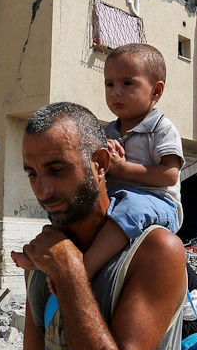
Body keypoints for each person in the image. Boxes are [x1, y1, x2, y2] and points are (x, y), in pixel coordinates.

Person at [0, 102, 187, 350]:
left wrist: (70, 271)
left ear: (100, 163)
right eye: (33, 174)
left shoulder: (155, 252)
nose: (42, 191)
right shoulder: (45, 257)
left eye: (57, 170)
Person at [67, 43, 185, 283]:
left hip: (158, 203)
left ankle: (86, 268)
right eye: (109, 84)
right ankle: (48, 254)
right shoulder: (106, 131)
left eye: (127, 83)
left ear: (156, 91)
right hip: (116, 198)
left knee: (131, 207)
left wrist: (122, 168)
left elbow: (169, 175)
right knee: (73, 204)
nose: (115, 92)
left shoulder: (161, 129)